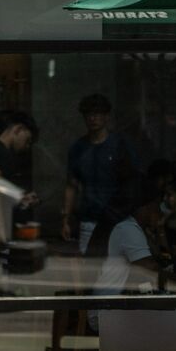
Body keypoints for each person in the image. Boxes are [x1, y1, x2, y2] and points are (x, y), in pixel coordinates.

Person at [61, 93, 140, 255]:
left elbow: (134, 181)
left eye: (97, 114)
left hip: (119, 219)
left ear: (106, 116)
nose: (93, 118)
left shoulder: (120, 145)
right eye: (89, 114)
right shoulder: (78, 148)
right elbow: (71, 185)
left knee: (120, 264)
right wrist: (65, 220)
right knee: (91, 265)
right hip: (90, 219)